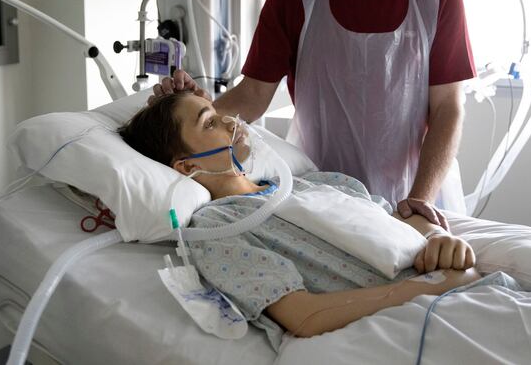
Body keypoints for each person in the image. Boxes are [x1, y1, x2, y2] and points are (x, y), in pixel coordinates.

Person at [153, 0, 476, 230]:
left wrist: (420, 199)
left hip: (417, 190)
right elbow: (254, 95)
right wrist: (192, 113)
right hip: (322, 189)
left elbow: (448, 107)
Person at [121, 92, 480, 347]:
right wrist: (429, 287)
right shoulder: (218, 228)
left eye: (218, 111)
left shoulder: (317, 183)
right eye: (210, 122)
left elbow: (398, 219)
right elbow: (304, 316)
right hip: (422, 320)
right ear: (187, 166)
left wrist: (441, 240)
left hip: (468, 293)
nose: (231, 121)